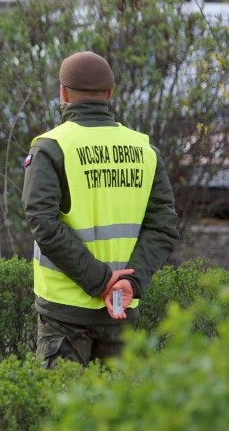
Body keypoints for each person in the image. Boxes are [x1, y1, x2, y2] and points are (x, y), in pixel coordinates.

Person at [22, 50, 179, 368]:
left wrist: (100, 281)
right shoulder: (144, 149)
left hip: (64, 313)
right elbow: (164, 226)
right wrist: (128, 283)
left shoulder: (52, 147)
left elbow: (43, 222)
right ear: (109, 94)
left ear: (63, 93)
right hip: (121, 310)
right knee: (118, 414)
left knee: (62, 412)